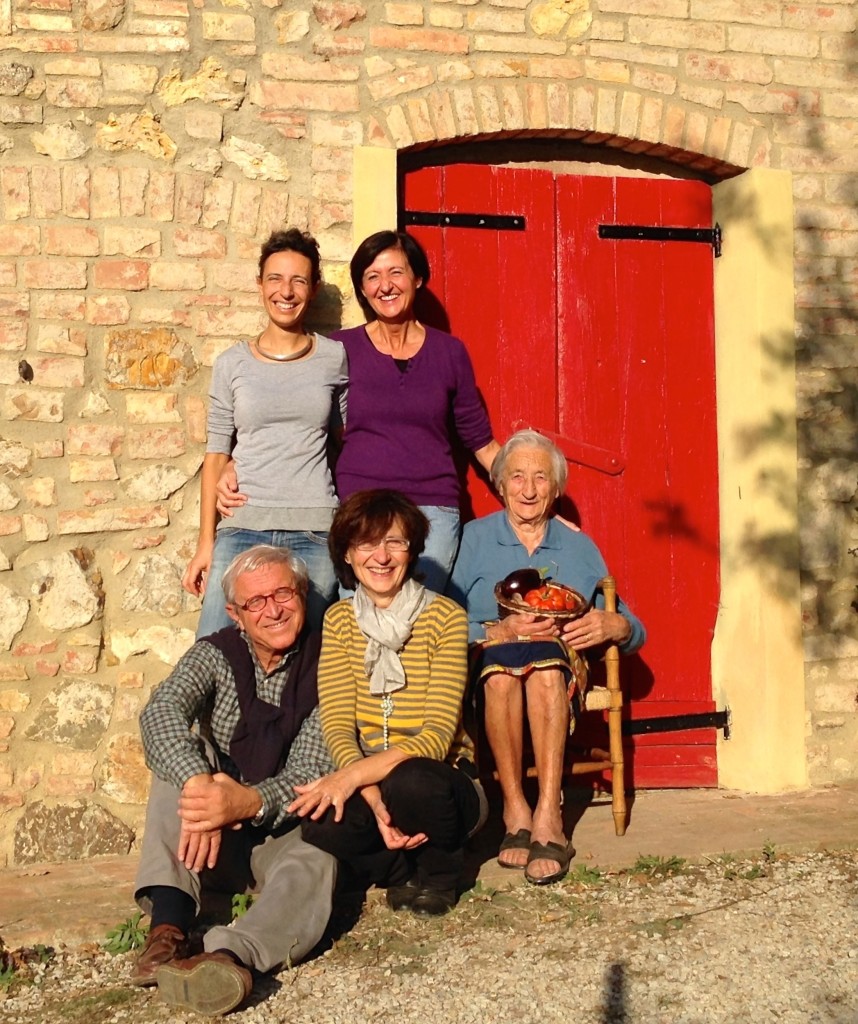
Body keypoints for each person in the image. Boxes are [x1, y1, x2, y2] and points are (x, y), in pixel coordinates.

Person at [217, 230, 499, 595]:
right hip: (359, 512)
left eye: (396, 272)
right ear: (362, 290)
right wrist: (234, 462)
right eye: (372, 277)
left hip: (432, 515)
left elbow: (482, 442)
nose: (386, 285)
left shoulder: (449, 353)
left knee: (420, 620)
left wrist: (536, 502)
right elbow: (294, 414)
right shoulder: (338, 350)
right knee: (361, 626)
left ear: (418, 278)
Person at [132, 545, 337, 1016]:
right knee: (181, 764)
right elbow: (161, 712)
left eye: (283, 593)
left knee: (325, 844)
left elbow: (310, 771)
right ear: (236, 614)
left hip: (281, 832)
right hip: (212, 841)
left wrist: (244, 802)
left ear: (302, 595)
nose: (273, 610)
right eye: (256, 602)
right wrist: (202, 787)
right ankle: (169, 929)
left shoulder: (331, 663)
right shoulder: (214, 653)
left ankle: (229, 957)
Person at [449, 430, 645, 886]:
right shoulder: (473, 540)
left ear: (556, 489)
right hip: (491, 662)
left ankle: (547, 813)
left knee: (543, 670)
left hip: (558, 669)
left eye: (541, 478)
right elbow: (440, 622)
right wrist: (496, 630)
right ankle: (514, 806)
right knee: (502, 674)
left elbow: (632, 626)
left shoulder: (578, 546)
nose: (529, 489)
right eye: (517, 477)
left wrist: (616, 625)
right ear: (500, 484)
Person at [289, 489, 487, 917]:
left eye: (394, 542)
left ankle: (439, 874)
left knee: (413, 782)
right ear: (347, 553)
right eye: (366, 543)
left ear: (411, 549)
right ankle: (400, 870)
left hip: (441, 781)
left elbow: (435, 739)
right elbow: (339, 724)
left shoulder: (446, 617)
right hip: (373, 778)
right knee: (318, 822)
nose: (381, 556)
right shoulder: (339, 620)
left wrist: (350, 779)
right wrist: (371, 795)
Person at [182, 228, 348, 636]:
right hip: (243, 526)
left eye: (298, 280)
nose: (286, 291)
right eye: (275, 278)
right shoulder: (231, 363)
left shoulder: (334, 356)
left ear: (313, 288)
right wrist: (207, 542)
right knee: (215, 646)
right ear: (259, 284)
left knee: (311, 660)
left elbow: (346, 439)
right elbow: (216, 453)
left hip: (314, 529)